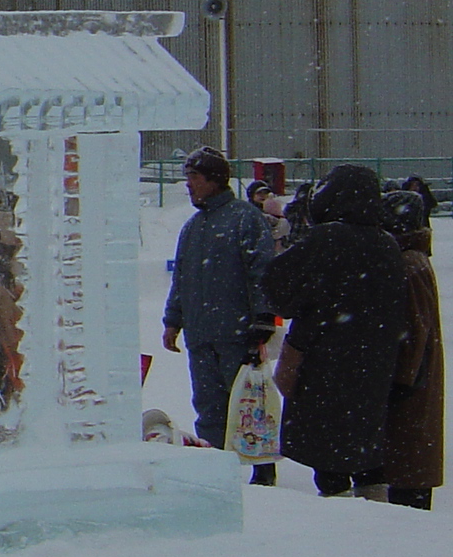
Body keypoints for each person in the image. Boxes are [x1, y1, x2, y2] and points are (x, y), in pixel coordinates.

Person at [263, 165, 409, 497]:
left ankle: (338, 518)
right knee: (365, 451)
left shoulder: (326, 238)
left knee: (328, 458)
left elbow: (278, 289)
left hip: (324, 364)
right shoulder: (387, 245)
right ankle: (375, 513)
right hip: (376, 365)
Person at [163, 147, 277, 478]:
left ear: (215, 180)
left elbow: (262, 271)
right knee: (208, 406)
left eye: (194, 178)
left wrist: (262, 318)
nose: (188, 185)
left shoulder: (244, 218)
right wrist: (173, 321)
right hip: (201, 335)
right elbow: (181, 279)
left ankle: (261, 468)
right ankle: (215, 468)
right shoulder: (192, 227)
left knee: (247, 403)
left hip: (236, 333)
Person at [378, 190, 442, 509]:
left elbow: (414, 333)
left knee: (409, 479)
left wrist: (400, 381)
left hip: (411, 390)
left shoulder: (407, 264)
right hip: (416, 386)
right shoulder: (414, 260)